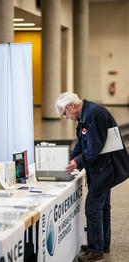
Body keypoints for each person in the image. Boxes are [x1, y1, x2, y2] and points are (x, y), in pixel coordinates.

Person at [55, 92, 129, 262]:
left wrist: (77, 162)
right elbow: (82, 142)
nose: (66, 117)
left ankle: (96, 250)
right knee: (103, 206)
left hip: (106, 168)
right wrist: (72, 158)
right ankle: (102, 244)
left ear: (71, 106)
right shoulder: (85, 115)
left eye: (64, 113)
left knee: (93, 207)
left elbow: (94, 147)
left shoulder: (94, 114)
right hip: (101, 168)